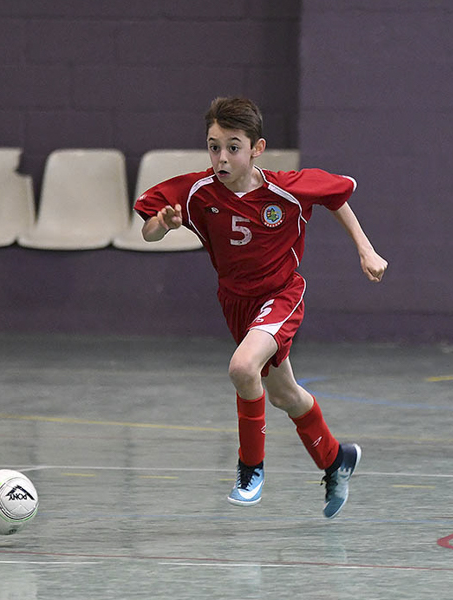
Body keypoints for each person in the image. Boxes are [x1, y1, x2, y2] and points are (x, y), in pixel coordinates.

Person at [134, 97, 388, 518]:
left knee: (241, 368)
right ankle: (335, 460)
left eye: (233, 147)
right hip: (236, 303)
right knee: (284, 393)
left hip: (281, 295)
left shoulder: (286, 189)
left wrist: (366, 250)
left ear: (257, 148)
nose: (221, 157)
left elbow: (337, 197)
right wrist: (161, 225)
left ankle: (250, 469)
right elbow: (148, 232)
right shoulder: (195, 193)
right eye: (213, 146)